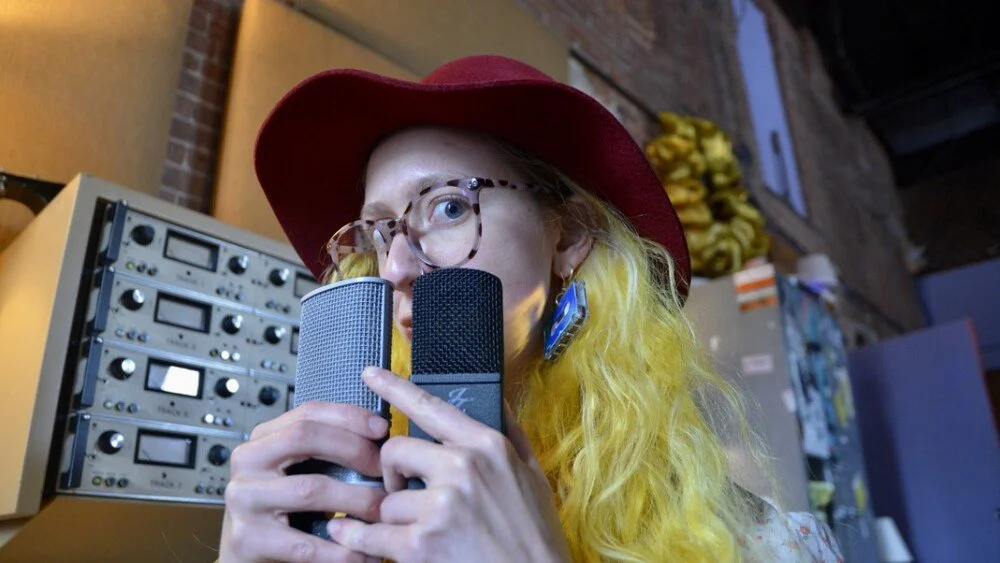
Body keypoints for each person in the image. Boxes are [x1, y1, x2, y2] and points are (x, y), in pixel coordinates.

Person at [220, 55, 843, 562]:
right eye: (379, 234)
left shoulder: (767, 547)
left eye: (448, 207)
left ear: (569, 235)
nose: (397, 269)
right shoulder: (348, 506)